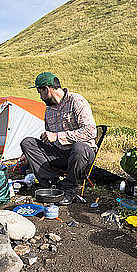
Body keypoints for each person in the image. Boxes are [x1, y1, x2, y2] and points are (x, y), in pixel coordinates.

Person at [19, 72, 97, 205]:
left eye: (40, 93)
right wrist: (28, 154)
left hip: (81, 154)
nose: (41, 97)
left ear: (47, 89)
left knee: (79, 147)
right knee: (27, 143)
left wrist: (58, 136)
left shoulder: (76, 101)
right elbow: (49, 139)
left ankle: (69, 190)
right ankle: (52, 183)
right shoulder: (49, 111)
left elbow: (90, 131)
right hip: (60, 154)